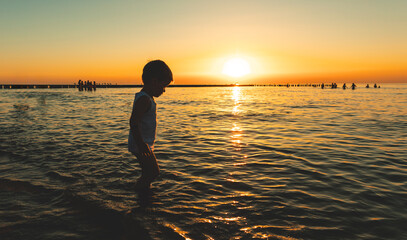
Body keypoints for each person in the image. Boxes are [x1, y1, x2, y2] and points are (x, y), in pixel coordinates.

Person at [128, 60, 173, 191]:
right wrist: (141, 144)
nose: (164, 90)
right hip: (140, 144)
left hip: (142, 143)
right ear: (154, 81)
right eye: (163, 86)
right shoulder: (144, 99)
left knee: (149, 172)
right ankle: (140, 194)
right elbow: (133, 122)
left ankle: (144, 192)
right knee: (153, 172)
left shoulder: (147, 98)